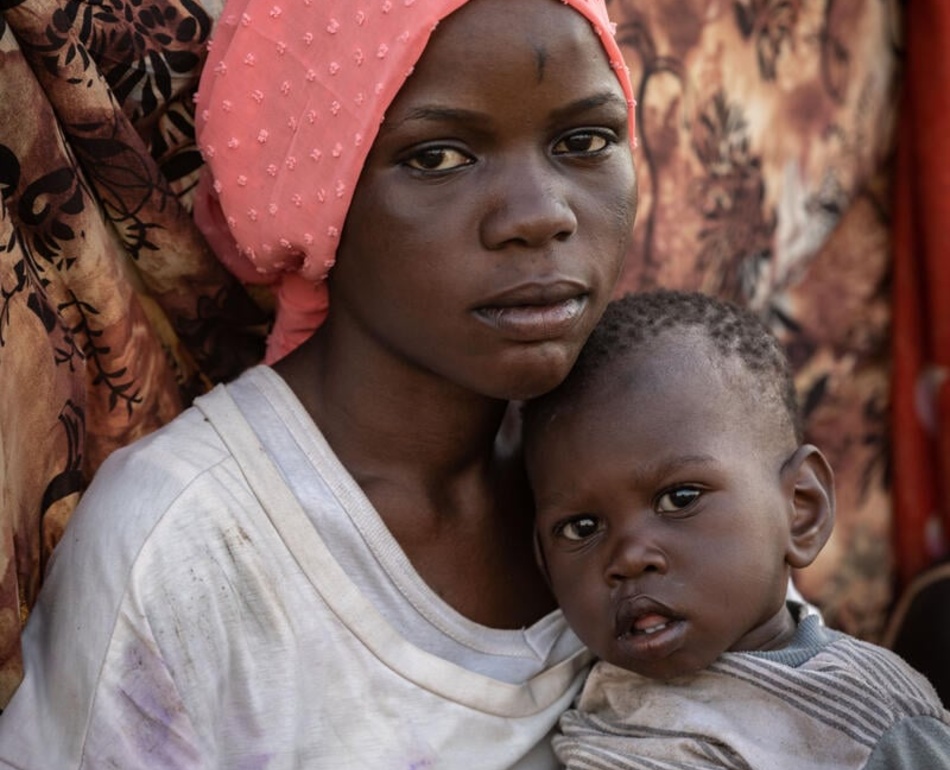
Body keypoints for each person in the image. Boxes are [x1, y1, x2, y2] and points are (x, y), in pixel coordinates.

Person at [0, 0, 638, 767]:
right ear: (315, 198)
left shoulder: (649, 440)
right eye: (438, 157)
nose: (541, 215)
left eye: (585, 140)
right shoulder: (188, 548)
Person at [522, 289, 950, 770]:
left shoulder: (869, 717)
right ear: (544, 564)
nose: (628, 557)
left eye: (679, 499)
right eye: (582, 528)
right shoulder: (561, 687)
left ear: (801, 509)